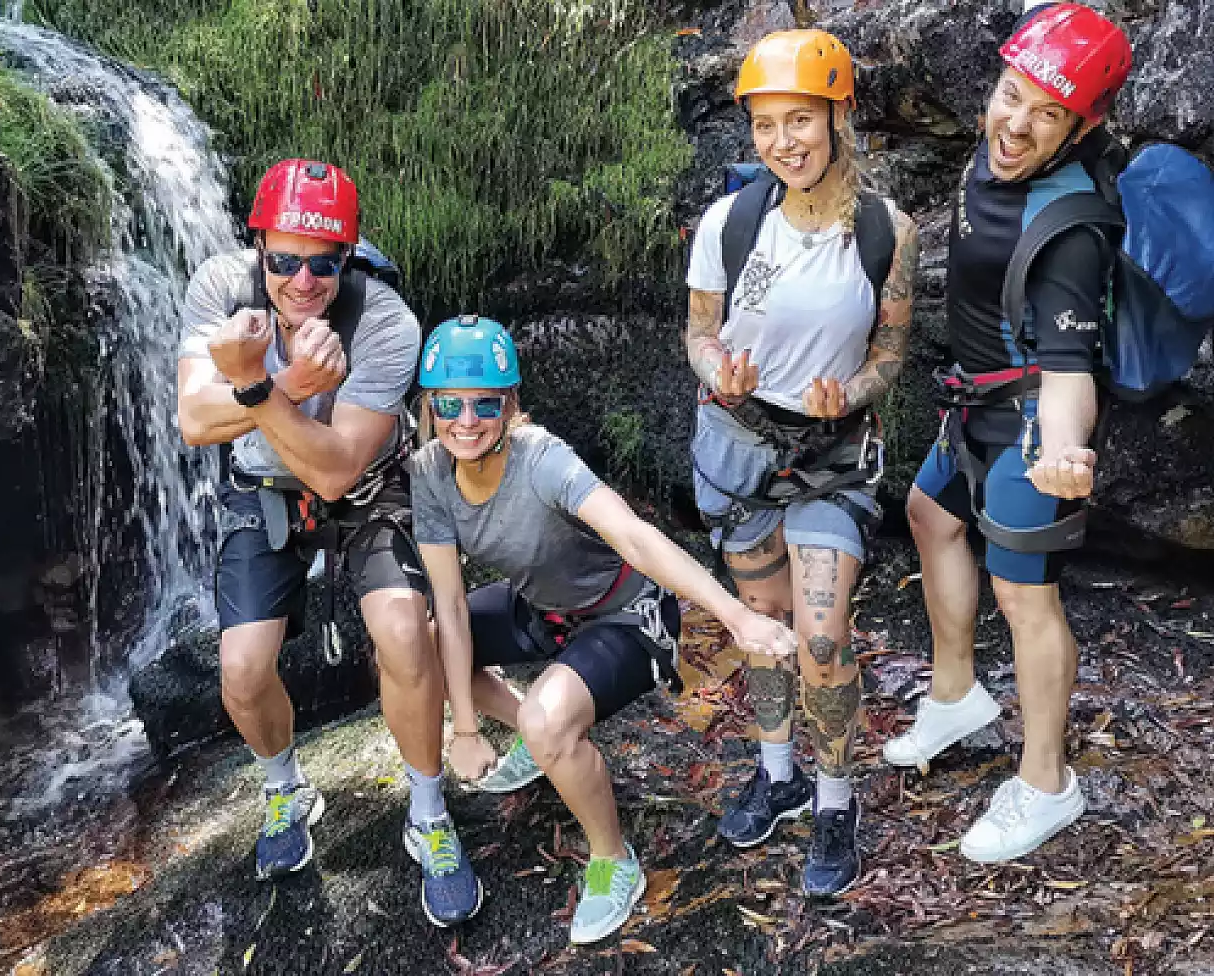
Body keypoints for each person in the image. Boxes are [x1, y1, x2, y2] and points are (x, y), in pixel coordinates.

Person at [407, 315, 798, 943]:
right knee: (420, 642)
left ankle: (614, 859)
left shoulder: (543, 460)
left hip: (627, 615)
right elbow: (449, 607)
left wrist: (737, 615)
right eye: (449, 402)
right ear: (428, 405)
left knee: (548, 719)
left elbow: (635, 538)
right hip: (542, 609)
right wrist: (465, 726)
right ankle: (538, 741)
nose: (466, 419)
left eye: (485, 402)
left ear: (509, 405)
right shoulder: (428, 471)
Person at [176, 159, 481, 925]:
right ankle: (285, 790)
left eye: (322, 262)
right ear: (259, 246)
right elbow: (192, 421)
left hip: (367, 487)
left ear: (347, 256)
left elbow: (341, 468)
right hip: (262, 488)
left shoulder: (384, 321)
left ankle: (428, 810)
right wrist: (289, 389)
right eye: (283, 260)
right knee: (241, 674)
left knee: (405, 633)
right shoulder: (219, 289)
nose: (302, 279)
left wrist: (249, 386)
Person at [885, 3, 1133, 863]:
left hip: (1029, 418)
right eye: (1009, 94)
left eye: (1046, 112)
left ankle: (1045, 783)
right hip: (972, 405)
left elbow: (1070, 370)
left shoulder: (1071, 226)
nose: (1015, 123)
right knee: (928, 513)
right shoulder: (992, 157)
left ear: (1081, 126)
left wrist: (1064, 449)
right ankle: (956, 693)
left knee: (1026, 597)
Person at [684, 30, 919, 896]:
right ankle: (777, 772)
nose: (783, 142)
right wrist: (721, 371)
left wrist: (853, 389)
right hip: (741, 442)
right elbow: (699, 332)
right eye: (766, 125)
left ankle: (833, 796)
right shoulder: (730, 222)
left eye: (800, 121)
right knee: (766, 629)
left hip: (833, 452)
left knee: (822, 635)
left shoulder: (886, 230)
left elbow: (893, 350)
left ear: (837, 116)